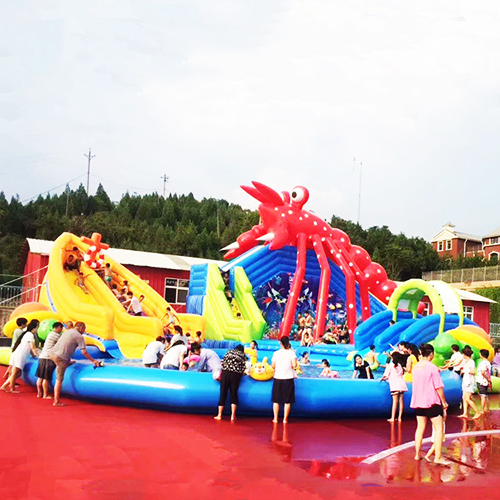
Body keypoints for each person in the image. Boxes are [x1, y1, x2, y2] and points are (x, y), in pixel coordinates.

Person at [410, 343, 449, 464]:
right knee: (439, 429)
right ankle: (438, 457)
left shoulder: (416, 367)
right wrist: (444, 401)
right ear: (431, 354)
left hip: (419, 402)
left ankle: (417, 454)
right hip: (432, 402)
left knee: (420, 428)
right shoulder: (432, 367)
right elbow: (438, 387)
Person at [49, 322, 102, 406]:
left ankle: (67, 362)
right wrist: (93, 361)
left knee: (66, 361)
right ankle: (56, 401)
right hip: (61, 358)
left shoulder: (67, 331)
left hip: (53, 354)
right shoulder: (79, 336)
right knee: (59, 379)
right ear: (80, 328)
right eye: (84, 329)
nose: (84, 331)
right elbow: (84, 352)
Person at [1, 320, 39, 393]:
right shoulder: (30, 335)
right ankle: (11, 388)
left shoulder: (27, 334)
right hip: (20, 355)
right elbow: (32, 347)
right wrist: (38, 355)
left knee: (18, 373)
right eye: (37, 328)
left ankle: (5, 385)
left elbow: (30, 348)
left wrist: (33, 355)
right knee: (15, 372)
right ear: (34, 328)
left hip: (19, 354)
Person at [215, 344, 247, 421]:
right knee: (234, 394)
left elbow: (222, 363)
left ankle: (219, 415)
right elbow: (243, 367)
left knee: (223, 393)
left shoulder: (228, 352)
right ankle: (233, 415)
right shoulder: (242, 355)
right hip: (235, 375)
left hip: (226, 373)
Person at [271, 336, 297, 424]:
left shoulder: (276, 353)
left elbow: (273, 366)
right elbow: (294, 365)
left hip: (278, 377)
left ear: (280, 343)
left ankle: (275, 418)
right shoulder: (291, 353)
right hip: (288, 378)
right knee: (287, 401)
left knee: (276, 400)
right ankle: (285, 419)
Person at [36, 322, 63, 398]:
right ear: (58, 327)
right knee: (46, 378)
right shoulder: (56, 335)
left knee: (40, 377)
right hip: (48, 357)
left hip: (42, 356)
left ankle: (39, 393)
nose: (61, 330)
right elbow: (63, 342)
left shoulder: (50, 334)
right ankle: (45, 394)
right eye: (61, 328)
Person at [380, 351, 408, 422]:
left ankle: (392, 418)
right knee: (401, 401)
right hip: (402, 385)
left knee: (395, 402)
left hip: (395, 385)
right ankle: (400, 418)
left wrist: (382, 379)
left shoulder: (390, 365)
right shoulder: (399, 365)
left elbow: (385, 375)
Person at [458, 345, 480, 419]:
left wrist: (465, 371)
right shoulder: (466, 362)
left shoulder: (471, 362)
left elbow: (473, 371)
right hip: (466, 381)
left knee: (467, 398)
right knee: (464, 398)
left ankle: (477, 412)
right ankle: (465, 413)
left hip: (469, 382)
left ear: (465, 355)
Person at [3, 317, 28, 381]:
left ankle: (9, 377)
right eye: (25, 324)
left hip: (14, 348)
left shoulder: (17, 330)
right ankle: (10, 379)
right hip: (16, 348)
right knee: (14, 366)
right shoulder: (19, 331)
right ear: (22, 324)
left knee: (12, 364)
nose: (26, 325)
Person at [476, 349, 492, 415]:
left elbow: (483, 372)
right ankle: (487, 408)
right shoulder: (488, 362)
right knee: (485, 395)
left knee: (482, 395)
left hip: (482, 380)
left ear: (481, 355)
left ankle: (482, 410)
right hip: (485, 381)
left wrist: (487, 378)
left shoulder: (483, 363)